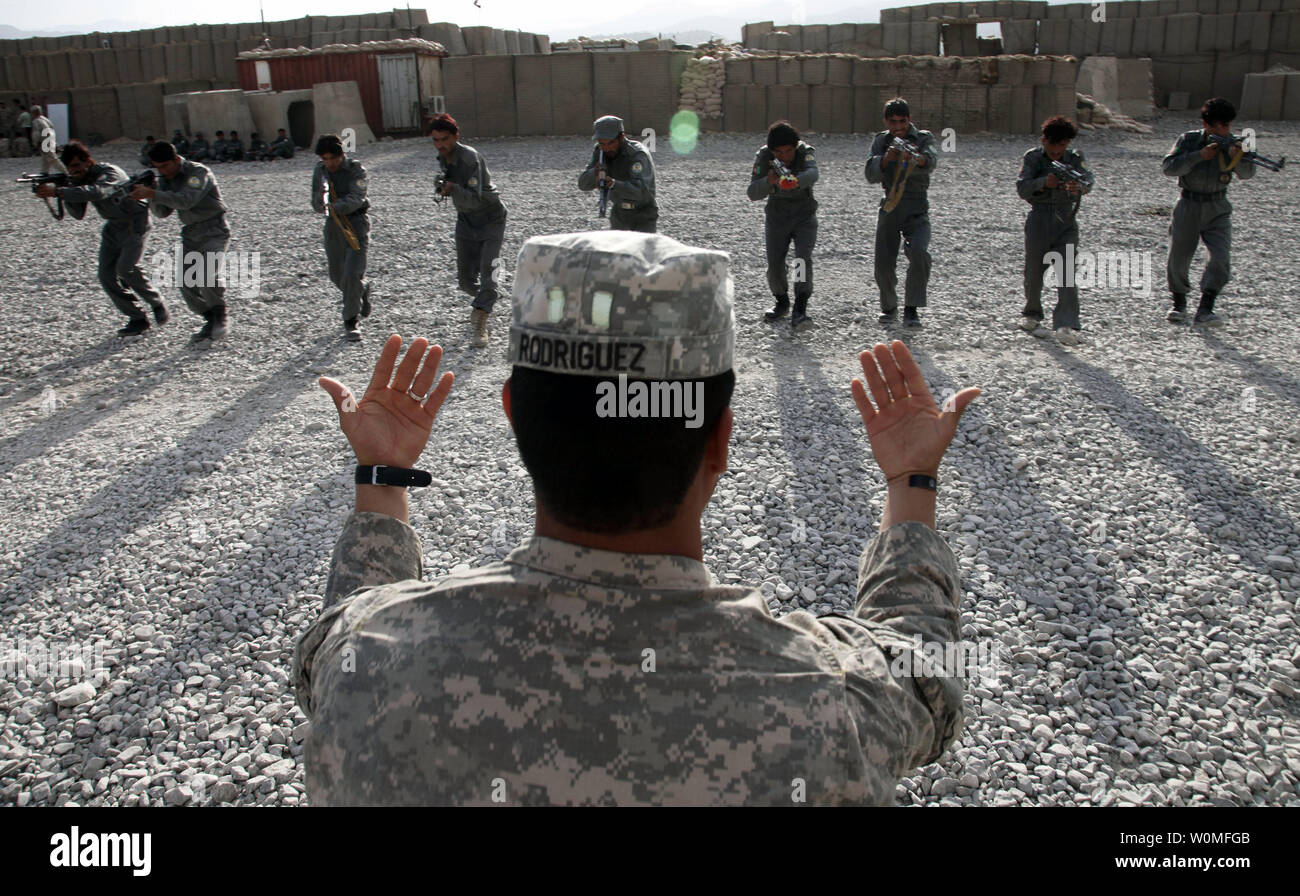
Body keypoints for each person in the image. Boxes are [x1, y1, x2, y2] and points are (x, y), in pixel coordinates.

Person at [294, 230, 980, 806]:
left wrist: (381, 476)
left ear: (512, 415)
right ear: (721, 438)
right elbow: (926, 671)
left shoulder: (370, 658)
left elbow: (346, 624)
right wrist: (909, 480)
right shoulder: (831, 698)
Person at [36, 140, 167, 337]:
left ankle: (156, 302)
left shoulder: (109, 172)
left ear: (87, 161)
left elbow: (99, 191)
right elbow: (78, 214)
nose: (75, 171)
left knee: (126, 268)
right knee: (106, 275)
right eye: (71, 168)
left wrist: (59, 191)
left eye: (77, 166)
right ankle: (137, 318)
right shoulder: (78, 179)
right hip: (113, 226)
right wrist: (65, 190)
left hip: (134, 222)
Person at [1162, 97, 1255, 327]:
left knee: (1221, 257)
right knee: (1179, 256)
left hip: (1218, 207)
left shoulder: (1239, 143)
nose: (1223, 130)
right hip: (1188, 203)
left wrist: (1237, 157)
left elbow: (1248, 173)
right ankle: (1179, 303)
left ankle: (1206, 307)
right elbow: (1169, 167)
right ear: (1206, 124)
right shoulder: (1189, 139)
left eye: (1227, 125)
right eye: (1217, 126)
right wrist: (1199, 156)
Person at [132, 141, 230, 343]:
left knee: (206, 275)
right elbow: (162, 213)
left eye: (165, 166)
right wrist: (151, 194)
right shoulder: (166, 178)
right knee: (185, 281)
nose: (163, 171)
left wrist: (153, 193)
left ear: (176, 159)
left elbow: (187, 200)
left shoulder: (197, 172)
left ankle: (220, 316)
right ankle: (209, 318)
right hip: (191, 233)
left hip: (214, 230)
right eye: (157, 167)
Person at [429, 113, 507, 348]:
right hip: (466, 220)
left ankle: (480, 322)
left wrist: (453, 189)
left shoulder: (469, 158)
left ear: (456, 136)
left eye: (444, 139)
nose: (440, 145)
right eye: (435, 140)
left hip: (490, 217)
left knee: (488, 269)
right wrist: (442, 186)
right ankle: (488, 295)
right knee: (464, 280)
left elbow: (474, 198)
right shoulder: (445, 158)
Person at [1016, 116, 1094, 346]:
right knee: (1034, 271)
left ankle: (1065, 323)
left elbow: (1088, 181)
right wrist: (1043, 183)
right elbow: (1022, 187)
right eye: (1054, 144)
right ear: (1044, 141)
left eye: (1063, 145)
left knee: (1067, 271)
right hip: (1039, 217)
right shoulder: (1032, 157)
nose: (1058, 150)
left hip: (1065, 218)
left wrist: (1077, 187)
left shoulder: (1075, 159)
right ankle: (1032, 313)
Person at [865, 98, 937, 329]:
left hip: (916, 205)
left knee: (919, 253)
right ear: (886, 121)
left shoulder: (923, 137)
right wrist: (887, 159)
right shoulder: (881, 140)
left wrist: (915, 159)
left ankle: (912, 309)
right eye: (893, 122)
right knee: (883, 263)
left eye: (902, 122)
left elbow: (931, 160)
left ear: (910, 120)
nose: (898, 127)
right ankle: (889, 307)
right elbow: (871, 175)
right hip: (890, 205)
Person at [748, 119, 819, 331]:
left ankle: (800, 305)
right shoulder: (764, 156)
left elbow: (813, 173)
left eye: (788, 151)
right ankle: (781, 300)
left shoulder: (805, 151)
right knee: (775, 264)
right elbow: (752, 192)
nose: (784, 157)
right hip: (777, 215)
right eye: (779, 153)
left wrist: (795, 181)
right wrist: (768, 182)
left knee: (801, 261)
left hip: (804, 215)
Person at [311, 134, 371, 342]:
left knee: (352, 273)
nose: (329, 163)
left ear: (341, 154)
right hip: (333, 226)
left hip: (355, 223)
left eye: (332, 158)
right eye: (325, 159)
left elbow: (358, 197)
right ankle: (361, 291)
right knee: (337, 275)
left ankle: (350, 320)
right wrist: (321, 203)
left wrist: (336, 206)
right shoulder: (319, 171)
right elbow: (314, 200)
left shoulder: (356, 169)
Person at [578, 115, 657, 233]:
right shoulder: (600, 152)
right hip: (619, 215)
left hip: (642, 215)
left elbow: (641, 192)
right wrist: (595, 173)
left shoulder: (636, 154)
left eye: (610, 143)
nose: (606, 148)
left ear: (622, 137)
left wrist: (613, 184)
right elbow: (582, 184)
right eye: (602, 143)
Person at [30, 105, 65, 175]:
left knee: (52, 159)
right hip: (51, 140)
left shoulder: (36, 121)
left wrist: (35, 143)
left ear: (33, 113)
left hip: (45, 141)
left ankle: (65, 171)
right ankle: (44, 171)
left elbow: (36, 133)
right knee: (45, 158)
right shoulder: (45, 119)